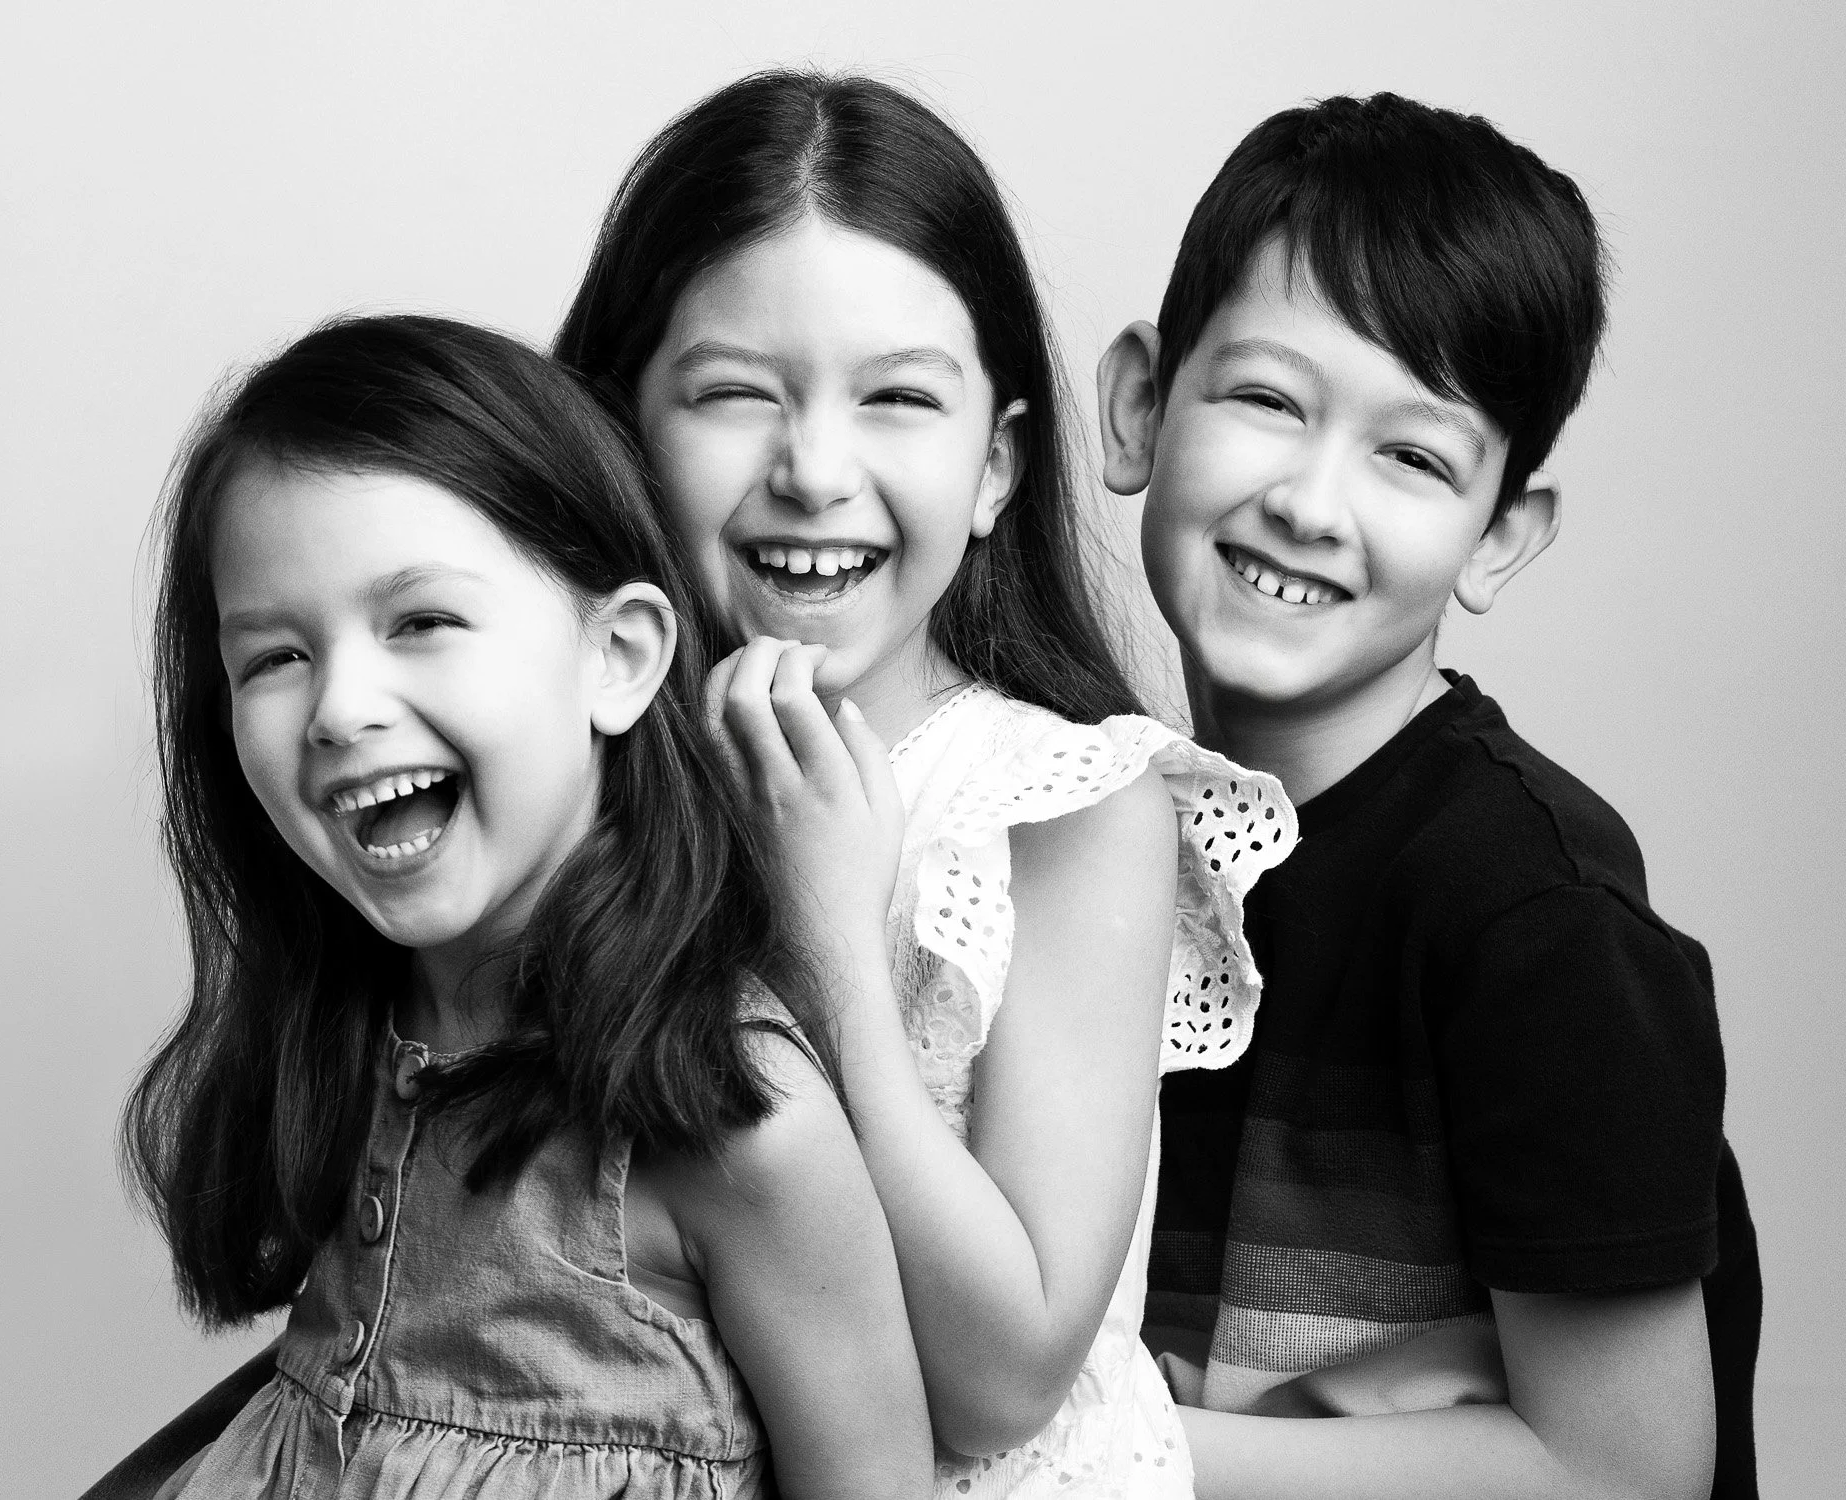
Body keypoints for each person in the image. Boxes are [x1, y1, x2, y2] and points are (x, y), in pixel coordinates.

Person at [555, 70, 1295, 1498]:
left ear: (997, 468)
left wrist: (832, 941)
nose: (814, 469)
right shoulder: (576, 783)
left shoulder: (1069, 807)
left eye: (898, 399)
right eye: (731, 395)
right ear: (619, 428)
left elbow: (1003, 1381)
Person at [119, 314, 931, 1499]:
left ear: (617, 656)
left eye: (421, 622)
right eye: (274, 657)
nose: (341, 708)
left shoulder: (739, 1120)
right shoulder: (353, 1035)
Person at [1098, 94, 1761, 1499]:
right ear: (1140, 407)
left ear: (1499, 535)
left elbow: (1625, 1472)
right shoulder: (1092, 832)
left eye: (1412, 457)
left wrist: (1095, 1462)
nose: (1312, 505)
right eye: (1268, 401)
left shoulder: (1531, 913)